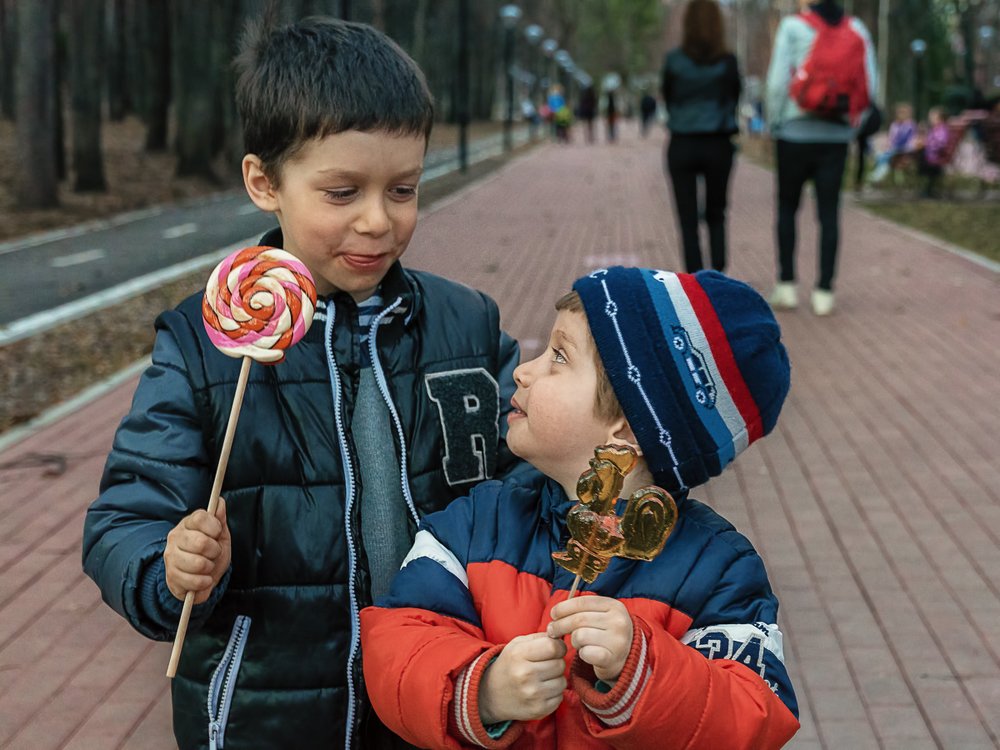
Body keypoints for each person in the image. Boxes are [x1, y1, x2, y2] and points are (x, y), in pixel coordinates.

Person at [81, 17, 526, 750]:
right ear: (265, 183)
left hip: (440, 694)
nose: (378, 220)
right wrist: (167, 567)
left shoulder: (464, 325)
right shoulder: (202, 345)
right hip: (269, 714)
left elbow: (523, 475)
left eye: (404, 188)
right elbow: (123, 519)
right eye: (343, 191)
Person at [361, 267, 801, 749]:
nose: (523, 372)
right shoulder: (473, 525)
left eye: (558, 357)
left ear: (628, 430)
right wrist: (483, 687)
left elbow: (757, 714)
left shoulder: (718, 570)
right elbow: (394, 643)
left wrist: (643, 670)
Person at [765, 0, 877, 316]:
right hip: (836, 137)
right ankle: (824, 291)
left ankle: (787, 285)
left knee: (788, 207)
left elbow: (777, 82)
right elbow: (871, 83)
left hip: (793, 133)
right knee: (829, 213)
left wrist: (774, 121)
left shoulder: (792, 26)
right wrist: (854, 123)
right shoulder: (857, 29)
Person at [661, 0, 742, 274]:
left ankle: (694, 280)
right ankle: (718, 275)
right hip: (718, 142)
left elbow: (668, 98)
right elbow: (735, 98)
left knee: (687, 220)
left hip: (682, 143)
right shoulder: (728, 62)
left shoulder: (674, 61)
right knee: (717, 213)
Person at [868, 102, 916, 184]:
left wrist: (892, 145)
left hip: (904, 148)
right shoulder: (895, 124)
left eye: (903, 113)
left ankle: (880, 173)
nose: (901, 115)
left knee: (885, 155)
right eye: (900, 113)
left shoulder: (909, 125)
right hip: (895, 148)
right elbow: (891, 138)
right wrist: (888, 144)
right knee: (880, 154)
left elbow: (904, 139)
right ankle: (881, 171)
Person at [915, 106, 950, 198]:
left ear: (940, 119)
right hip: (931, 155)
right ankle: (927, 189)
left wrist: (926, 143)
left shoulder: (941, 129)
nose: (930, 119)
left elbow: (940, 143)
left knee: (919, 158)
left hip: (934, 156)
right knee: (918, 154)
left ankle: (927, 190)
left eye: (933, 117)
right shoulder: (935, 129)